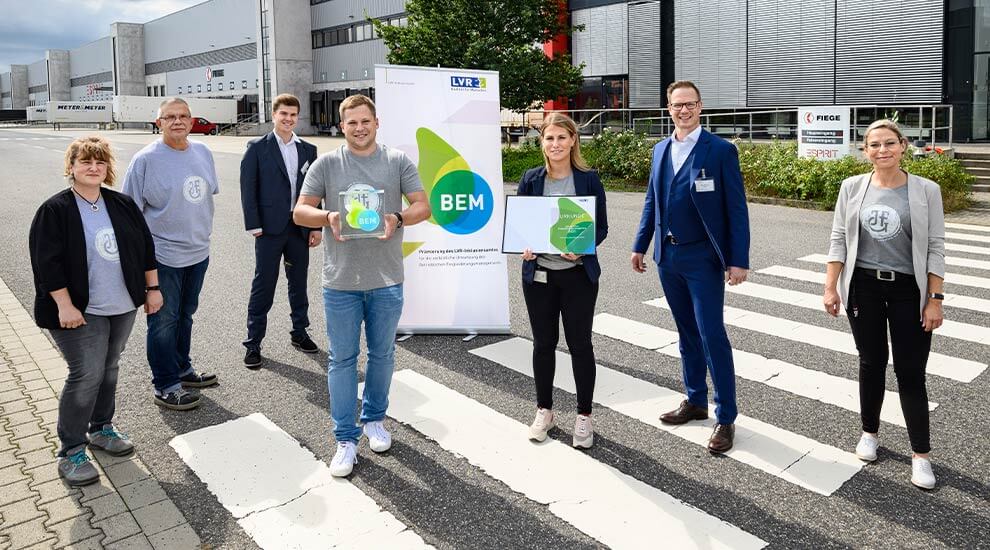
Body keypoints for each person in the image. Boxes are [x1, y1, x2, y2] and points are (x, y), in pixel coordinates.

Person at [294, 94, 431, 477]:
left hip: (387, 279)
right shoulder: (327, 163)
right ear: (342, 126)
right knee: (341, 359)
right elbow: (300, 211)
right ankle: (345, 438)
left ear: (376, 121)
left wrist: (398, 217)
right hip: (341, 282)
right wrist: (328, 216)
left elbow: (423, 205)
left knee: (383, 355)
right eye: (351, 122)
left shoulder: (396, 161)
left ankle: (374, 420)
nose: (359, 128)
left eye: (365, 121)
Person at [29, 136, 161, 486]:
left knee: (109, 367)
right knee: (85, 373)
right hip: (79, 310)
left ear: (107, 168)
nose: (93, 167)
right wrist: (64, 305)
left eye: (100, 162)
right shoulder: (55, 210)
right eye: (85, 161)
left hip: (121, 304)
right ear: (71, 167)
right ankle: (71, 449)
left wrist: (153, 289)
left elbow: (146, 249)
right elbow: (47, 264)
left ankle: (102, 428)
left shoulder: (121, 204)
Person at [823, 119, 945, 489]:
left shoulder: (926, 190)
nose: (882, 150)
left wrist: (934, 300)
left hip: (910, 290)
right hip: (864, 287)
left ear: (903, 146)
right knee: (871, 363)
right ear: (865, 150)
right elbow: (839, 237)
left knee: (910, 373)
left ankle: (920, 455)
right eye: (874, 145)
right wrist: (831, 287)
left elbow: (936, 247)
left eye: (889, 143)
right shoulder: (852, 187)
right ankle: (870, 433)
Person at [631, 80, 750, 454]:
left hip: (703, 259)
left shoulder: (719, 151)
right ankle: (696, 400)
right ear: (668, 108)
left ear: (700, 107)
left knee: (712, 334)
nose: (683, 110)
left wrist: (738, 259)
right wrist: (640, 244)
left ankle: (726, 416)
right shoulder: (660, 150)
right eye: (677, 105)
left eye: (690, 104)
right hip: (669, 257)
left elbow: (736, 209)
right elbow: (653, 200)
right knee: (685, 334)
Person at [122, 98, 219, 411]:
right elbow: (129, 213)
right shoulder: (145, 160)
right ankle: (165, 384)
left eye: (183, 116)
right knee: (163, 321)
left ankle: (182, 368)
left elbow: (202, 199)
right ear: (158, 122)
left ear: (191, 121)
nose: (177, 121)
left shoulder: (203, 152)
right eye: (169, 117)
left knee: (185, 316)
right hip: (162, 256)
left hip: (198, 252)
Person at [517, 113, 608, 449]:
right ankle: (545, 410)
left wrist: (582, 250)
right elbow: (523, 224)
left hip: (578, 278)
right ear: (542, 143)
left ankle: (584, 415)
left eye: (560, 138)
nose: (554, 145)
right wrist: (524, 246)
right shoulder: (530, 179)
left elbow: (601, 227)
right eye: (549, 139)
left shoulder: (588, 180)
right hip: (539, 277)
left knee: (580, 345)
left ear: (573, 140)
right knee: (543, 345)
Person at [240, 93, 322, 368]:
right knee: (264, 284)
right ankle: (253, 342)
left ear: (298, 117)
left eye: (293, 115)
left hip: (299, 227)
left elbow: (314, 190)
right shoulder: (257, 147)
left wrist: (314, 226)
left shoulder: (308, 150)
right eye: (283, 114)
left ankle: (299, 332)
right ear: (274, 115)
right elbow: (247, 188)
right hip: (269, 229)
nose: (288, 119)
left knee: (298, 282)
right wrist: (254, 224)